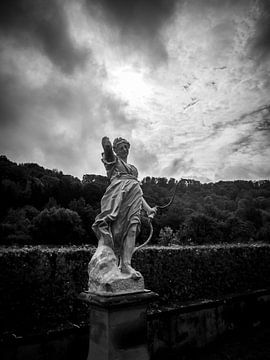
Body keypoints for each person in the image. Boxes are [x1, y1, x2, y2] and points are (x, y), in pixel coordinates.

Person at [92, 136, 156, 279]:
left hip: (134, 198)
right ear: (116, 149)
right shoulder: (114, 162)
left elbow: (139, 191)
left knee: (132, 230)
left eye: (126, 146)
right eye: (121, 147)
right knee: (117, 232)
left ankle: (126, 265)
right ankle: (113, 265)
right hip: (118, 198)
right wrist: (107, 146)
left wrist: (148, 209)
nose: (124, 149)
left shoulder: (133, 170)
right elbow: (108, 153)